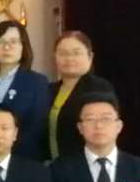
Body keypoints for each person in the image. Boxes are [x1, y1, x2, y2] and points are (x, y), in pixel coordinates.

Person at [0, 19, 50, 161]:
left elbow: (37, 128)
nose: (7, 47)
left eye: (14, 42)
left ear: (23, 47)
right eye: (1, 42)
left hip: (24, 160)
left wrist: (3, 154)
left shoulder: (37, 82)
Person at [48, 31, 114, 161]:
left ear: (90, 56)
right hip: (52, 164)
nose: (69, 58)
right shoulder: (49, 89)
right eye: (63, 53)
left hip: (85, 163)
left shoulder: (99, 88)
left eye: (76, 53)